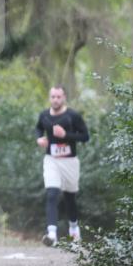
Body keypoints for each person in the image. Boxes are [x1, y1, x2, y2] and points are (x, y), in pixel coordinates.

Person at [35, 85, 89, 246]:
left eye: (58, 97)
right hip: (51, 160)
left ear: (64, 97)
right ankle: (52, 234)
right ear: (49, 98)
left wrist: (66, 135)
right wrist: (39, 138)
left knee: (69, 197)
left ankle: (74, 229)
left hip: (70, 161)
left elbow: (85, 136)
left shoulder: (73, 116)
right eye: (53, 97)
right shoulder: (44, 115)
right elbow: (38, 128)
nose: (55, 100)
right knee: (52, 194)